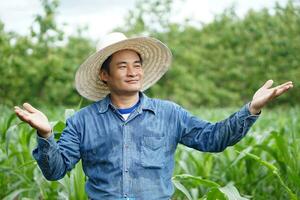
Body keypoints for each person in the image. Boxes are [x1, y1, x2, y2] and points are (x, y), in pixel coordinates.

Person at [14, 32, 293, 200]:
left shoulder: (169, 114)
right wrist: (46, 134)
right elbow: (55, 171)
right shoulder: (82, 122)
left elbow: (213, 139)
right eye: (122, 66)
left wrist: (252, 108)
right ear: (104, 74)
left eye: (137, 64)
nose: (133, 71)